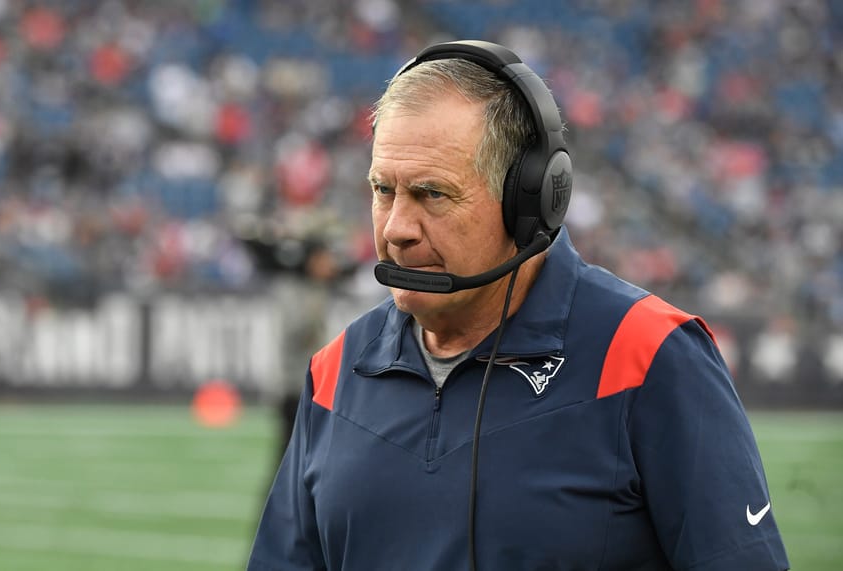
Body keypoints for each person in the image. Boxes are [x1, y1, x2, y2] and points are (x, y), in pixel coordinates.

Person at [247, 40, 789, 571]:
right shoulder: (335, 371)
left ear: (529, 200)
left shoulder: (650, 356)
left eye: (432, 193)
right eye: (383, 190)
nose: (395, 229)